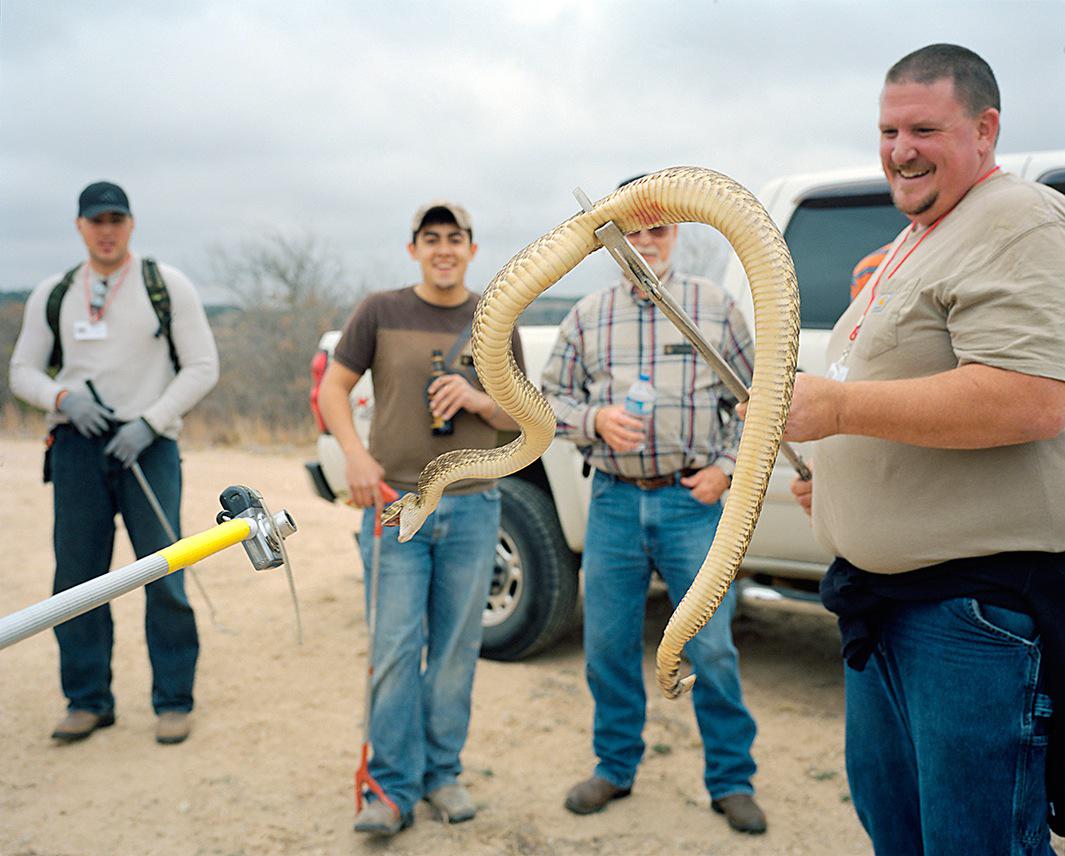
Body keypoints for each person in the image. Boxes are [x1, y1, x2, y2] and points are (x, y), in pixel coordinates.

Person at [777, 44, 1065, 854]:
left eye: (923, 129)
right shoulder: (914, 238)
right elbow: (911, 396)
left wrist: (835, 408)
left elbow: (1031, 398)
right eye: (887, 129)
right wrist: (837, 480)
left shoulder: (1014, 218)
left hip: (968, 623)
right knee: (899, 833)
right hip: (885, 606)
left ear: (984, 129)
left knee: (976, 842)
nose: (899, 149)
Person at [540, 180, 767, 835]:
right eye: (632, 233)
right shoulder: (586, 316)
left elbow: (756, 401)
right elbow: (543, 401)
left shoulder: (714, 308)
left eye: (656, 231)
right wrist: (593, 418)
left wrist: (725, 470)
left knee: (713, 649)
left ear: (676, 234)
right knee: (607, 646)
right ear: (612, 239)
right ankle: (614, 767)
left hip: (691, 504)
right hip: (611, 502)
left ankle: (730, 780)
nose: (644, 244)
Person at [317, 200, 524, 837]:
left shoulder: (496, 318)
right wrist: (353, 456)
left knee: (457, 651)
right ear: (413, 249)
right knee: (395, 649)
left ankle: (442, 775)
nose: (443, 249)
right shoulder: (380, 310)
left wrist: (479, 400)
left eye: (454, 238)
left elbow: (524, 419)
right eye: (430, 238)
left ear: (471, 249)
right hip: (394, 507)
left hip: (471, 506)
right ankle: (389, 789)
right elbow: (331, 388)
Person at [9, 181, 219, 745]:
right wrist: (63, 399)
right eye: (96, 221)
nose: (107, 231)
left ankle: (174, 700)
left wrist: (149, 422)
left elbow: (201, 366)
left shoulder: (164, 286)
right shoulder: (54, 293)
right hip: (78, 446)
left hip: (148, 446)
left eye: (116, 220)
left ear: (131, 224)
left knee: (164, 572)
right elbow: (22, 371)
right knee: (76, 580)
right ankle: (87, 700)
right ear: (80, 226)